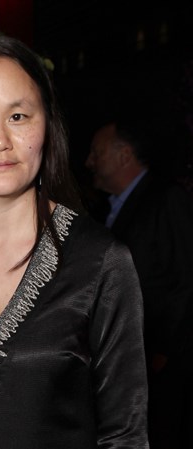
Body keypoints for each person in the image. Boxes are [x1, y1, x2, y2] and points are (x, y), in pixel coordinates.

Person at [0, 33, 149, 448]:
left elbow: (125, 434)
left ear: (46, 127)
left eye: (18, 116)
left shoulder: (100, 262)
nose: (0, 141)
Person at [87, 118, 193, 449]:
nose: (89, 161)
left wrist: (163, 351)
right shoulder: (104, 210)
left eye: (97, 152)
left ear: (124, 155)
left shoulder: (166, 198)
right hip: (124, 358)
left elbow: (186, 277)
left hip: (160, 361)